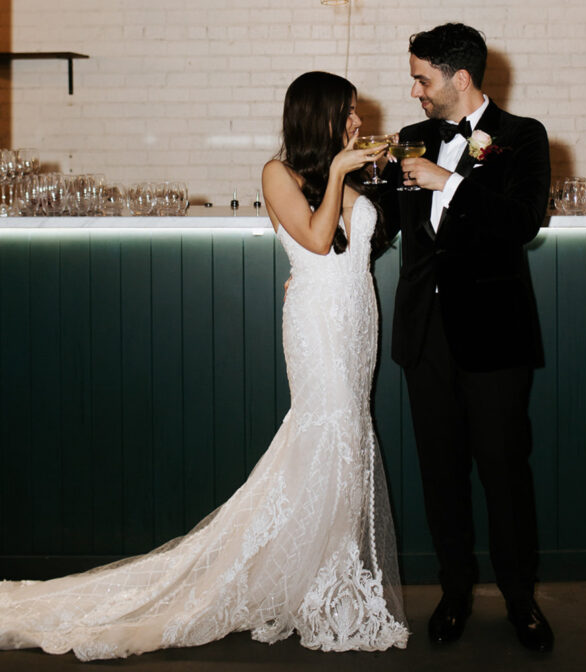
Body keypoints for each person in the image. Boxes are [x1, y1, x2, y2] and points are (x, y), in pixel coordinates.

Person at [0, 71, 408, 661]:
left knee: (349, 435)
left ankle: (326, 580)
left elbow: (366, 237)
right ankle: (306, 581)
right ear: (314, 114)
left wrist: (377, 173)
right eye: (347, 112)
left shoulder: (340, 173)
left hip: (356, 320)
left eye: (356, 113)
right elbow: (318, 243)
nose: (357, 122)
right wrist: (346, 170)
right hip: (317, 324)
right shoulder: (279, 173)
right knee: (325, 435)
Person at [383, 23, 553, 652]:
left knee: (505, 473)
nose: (414, 90)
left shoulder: (523, 137)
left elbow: (521, 223)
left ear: (459, 79)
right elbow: (382, 228)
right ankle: (454, 592)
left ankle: (520, 599)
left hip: (494, 340)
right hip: (424, 339)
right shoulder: (407, 141)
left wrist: (448, 182)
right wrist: (323, 254)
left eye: (421, 78)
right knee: (440, 473)